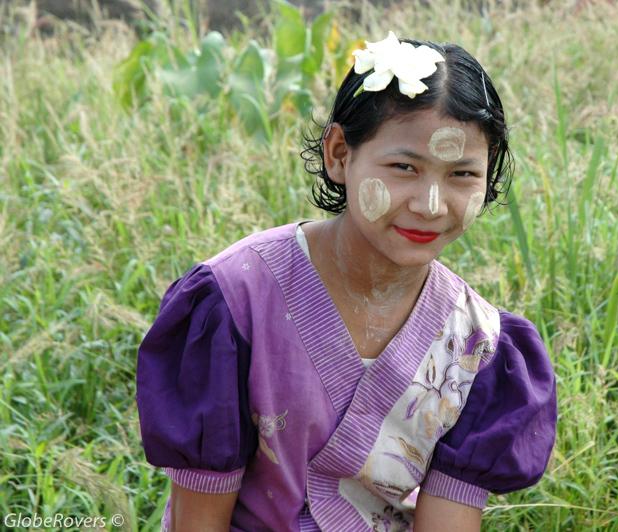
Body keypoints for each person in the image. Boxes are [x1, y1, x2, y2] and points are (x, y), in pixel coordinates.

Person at [137, 31, 557, 532]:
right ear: (339, 154)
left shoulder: (477, 347)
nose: (430, 205)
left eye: (462, 175)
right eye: (404, 167)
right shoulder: (234, 302)